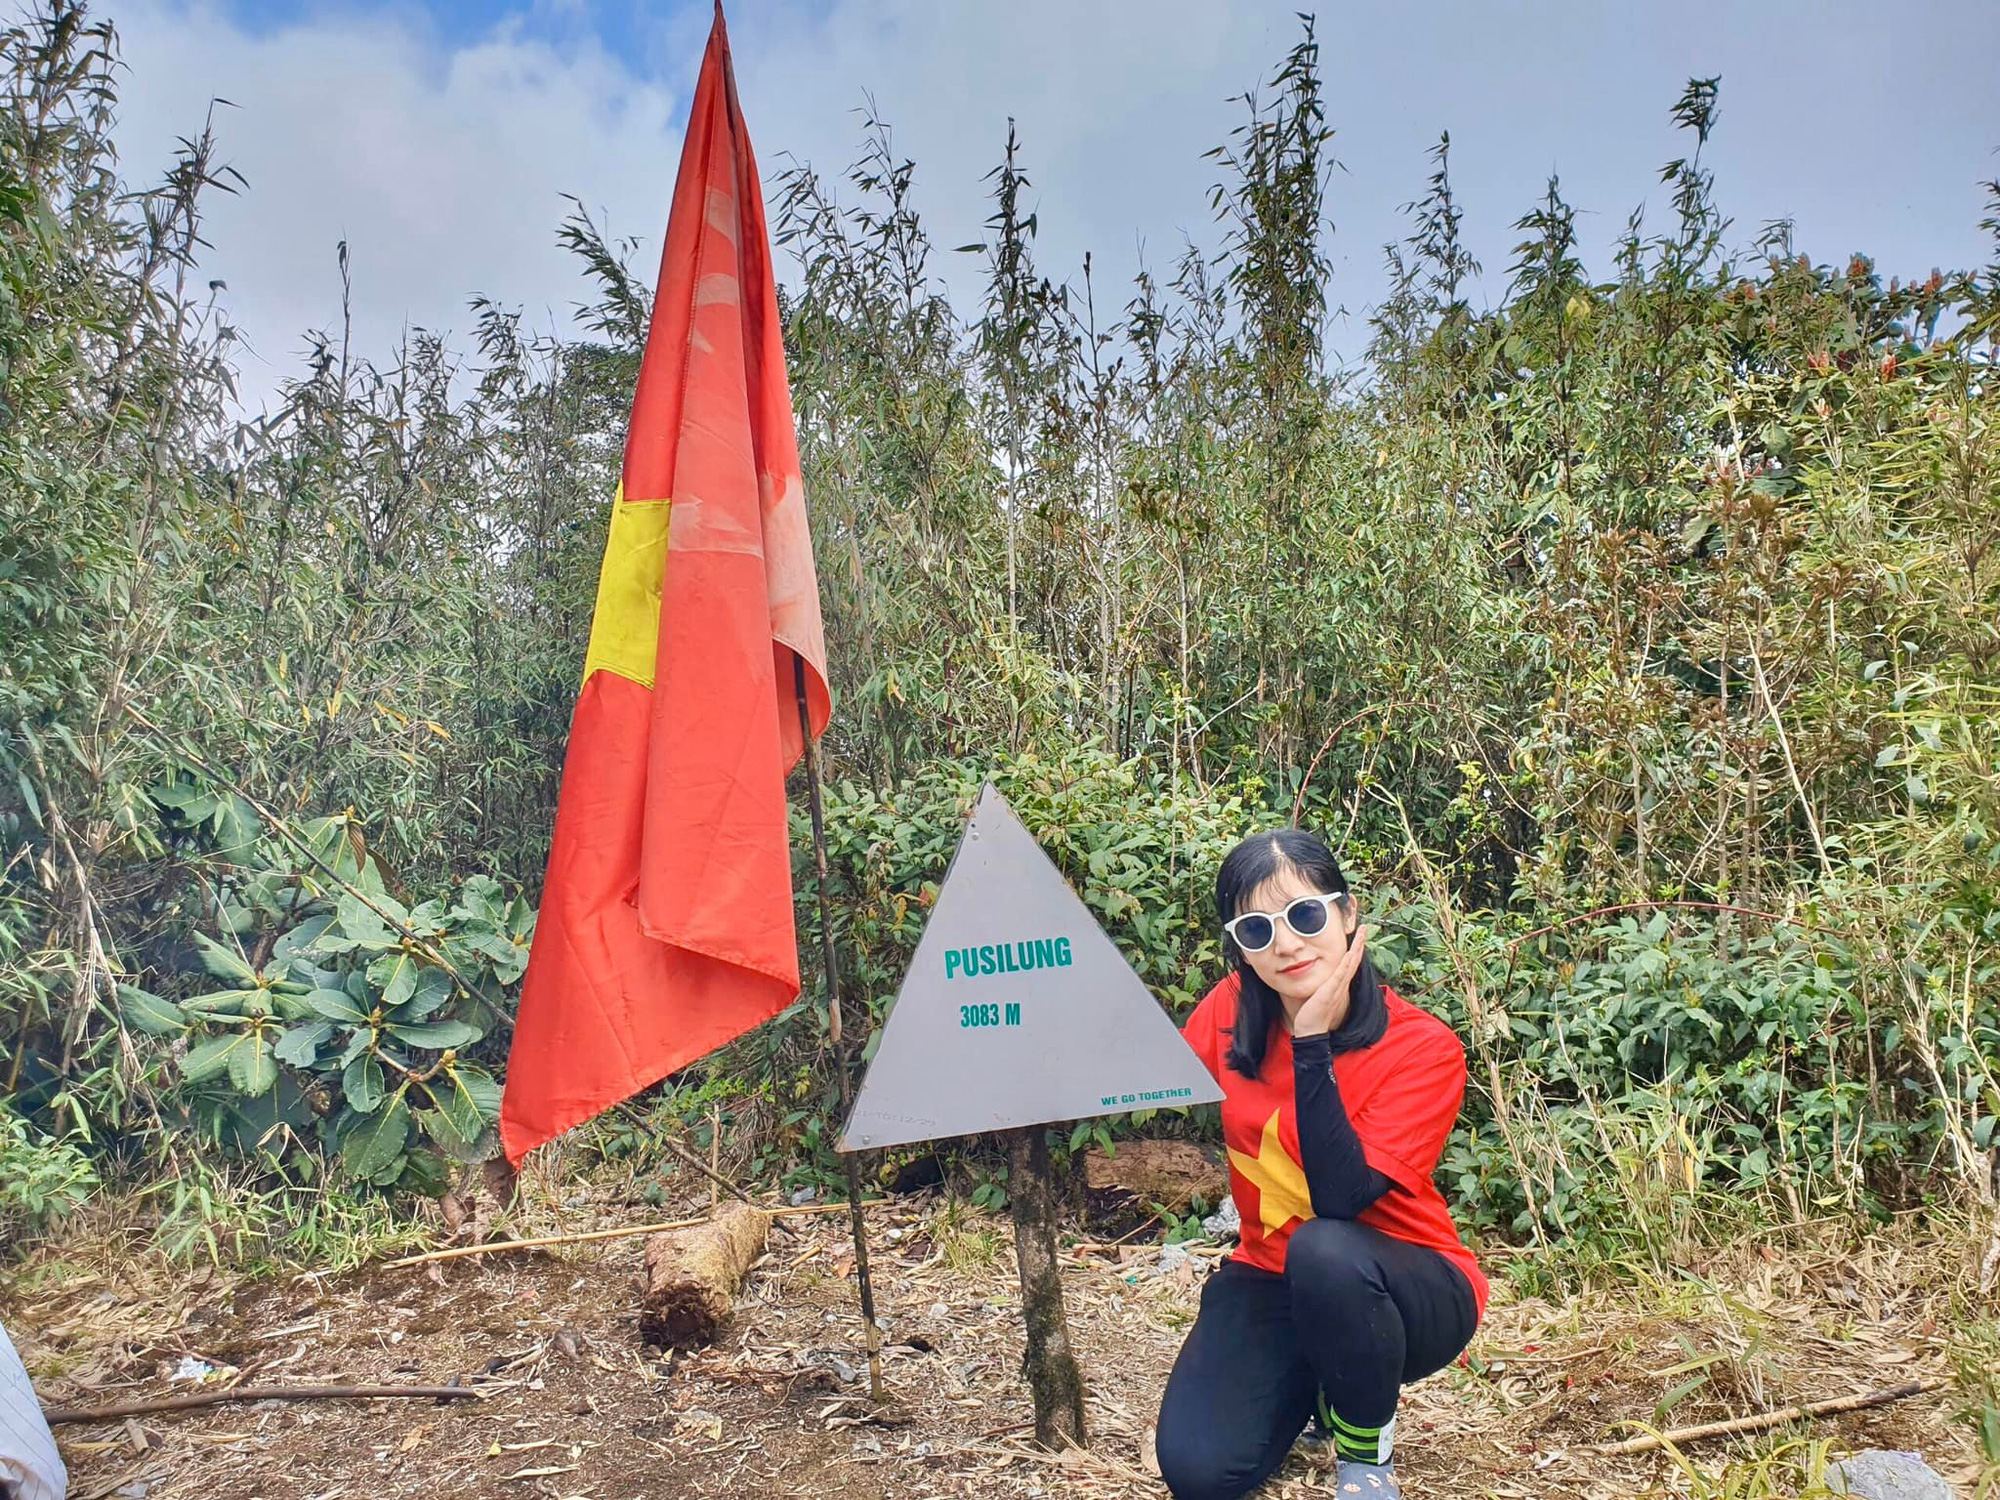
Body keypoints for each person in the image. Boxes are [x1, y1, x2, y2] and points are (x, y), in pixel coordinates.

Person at [1155, 829, 1486, 1500]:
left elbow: (1341, 1201)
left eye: (1304, 915)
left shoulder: (1423, 1048)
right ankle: (1318, 1380)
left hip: (1403, 1285)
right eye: (1256, 929)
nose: (1285, 942)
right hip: (1270, 1277)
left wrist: (1310, 1043)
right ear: (1238, 946)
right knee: (1199, 1473)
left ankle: (1364, 1457)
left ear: (1348, 914)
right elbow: (1136, 1074)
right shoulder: (1227, 1011)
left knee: (1326, 1250)